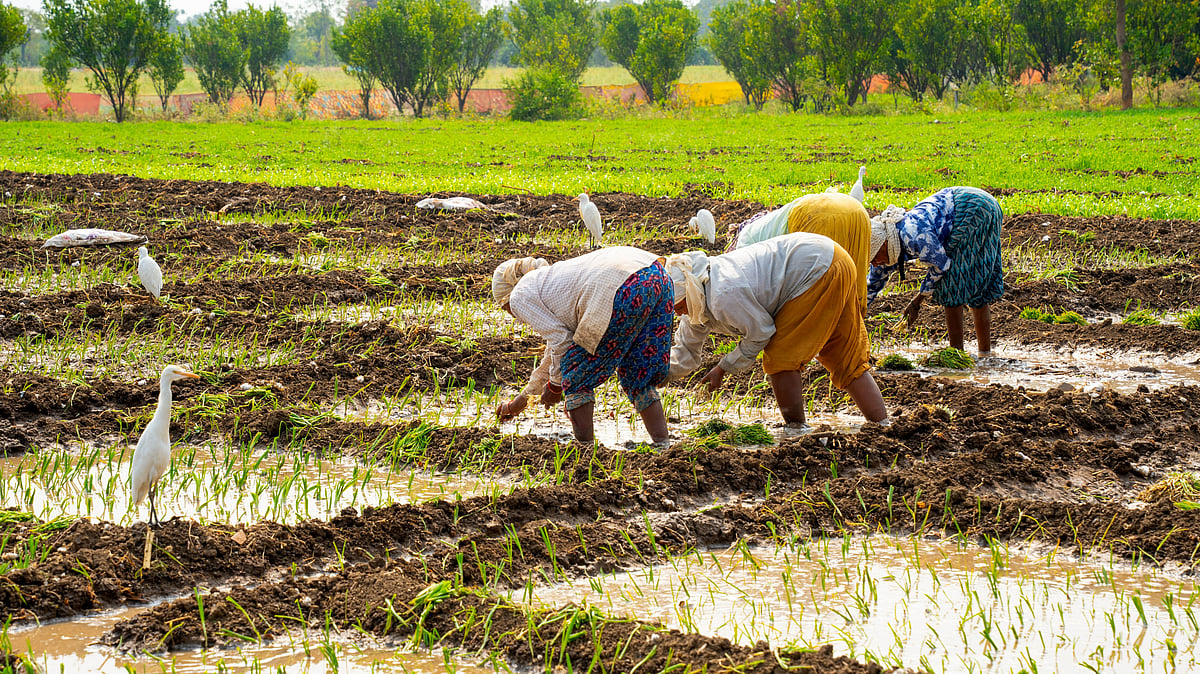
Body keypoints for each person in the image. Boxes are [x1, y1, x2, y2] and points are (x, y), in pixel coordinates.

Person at [667, 232, 888, 427]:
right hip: (833, 257)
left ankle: (796, 432)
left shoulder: (723, 292)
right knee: (842, 354)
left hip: (815, 268)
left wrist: (723, 368)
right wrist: (653, 376)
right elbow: (686, 349)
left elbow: (761, 331)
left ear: (691, 291)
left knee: (781, 358)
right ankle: (883, 425)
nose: (678, 313)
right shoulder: (696, 297)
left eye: (678, 306)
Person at [493, 248, 672, 445]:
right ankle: (663, 446)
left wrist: (555, 386)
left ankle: (586, 451)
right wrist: (520, 402)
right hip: (657, 276)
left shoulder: (519, 295)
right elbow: (553, 352)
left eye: (506, 309)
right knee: (638, 371)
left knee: (575, 373)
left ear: (507, 297)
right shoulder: (549, 282)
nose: (512, 315)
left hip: (622, 287)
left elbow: (562, 344)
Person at [867, 186, 1004, 355]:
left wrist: (917, 302)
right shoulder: (888, 243)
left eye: (874, 258)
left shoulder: (913, 235)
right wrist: (856, 313)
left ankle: (958, 355)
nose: (874, 263)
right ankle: (984, 355)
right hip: (973, 205)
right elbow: (871, 285)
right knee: (974, 281)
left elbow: (940, 265)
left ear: (885, 244)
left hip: (974, 209)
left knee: (951, 286)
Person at [733, 192, 873, 310]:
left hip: (816, 216)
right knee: (851, 280)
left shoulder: (743, 252)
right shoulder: (755, 230)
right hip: (856, 210)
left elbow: (763, 292)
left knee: (819, 296)